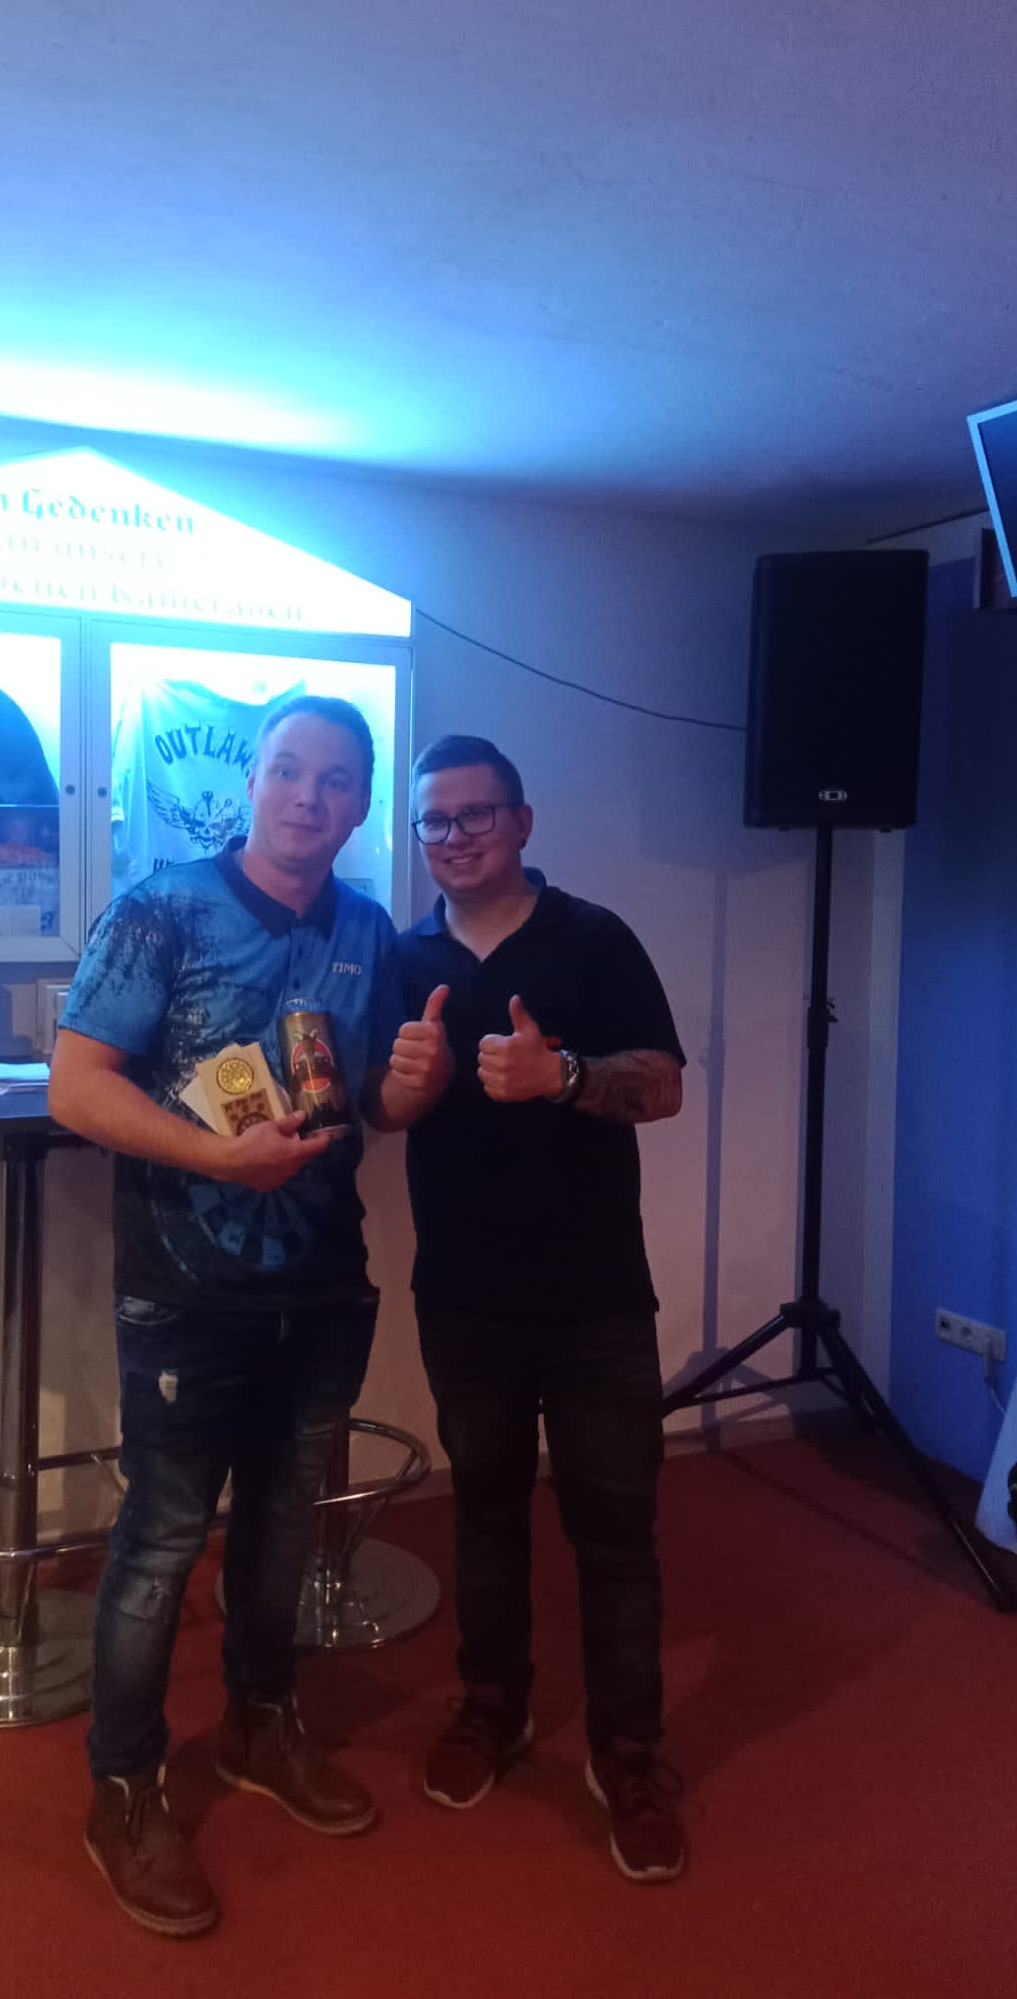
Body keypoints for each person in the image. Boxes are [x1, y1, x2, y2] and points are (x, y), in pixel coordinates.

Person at [49, 694, 450, 1938]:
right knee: (163, 1542)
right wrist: (221, 1159)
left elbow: (366, 1103)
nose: (308, 796)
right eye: (288, 769)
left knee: (284, 1528)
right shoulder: (162, 906)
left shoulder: (367, 926)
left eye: (336, 778)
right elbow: (76, 1085)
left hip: (323, 1280)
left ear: (361, 801)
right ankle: (123, 1788)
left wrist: (413, 1086)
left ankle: (259, 1725)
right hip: (185, 1291)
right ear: (252, 781)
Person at [397, 734, 688, 1884]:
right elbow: (373, 1101)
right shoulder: (404, 953)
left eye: (477, 813)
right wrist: (401, 1090)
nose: (456, 834)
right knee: (483, 1510)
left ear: (522, 821)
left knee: (616, 1528)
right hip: (463, 1296)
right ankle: (493, 1705)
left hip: (596, 1298)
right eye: (436, 819)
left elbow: (663, 1083)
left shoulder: (594, 937)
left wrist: (560, 1077)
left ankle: (631, 1752)